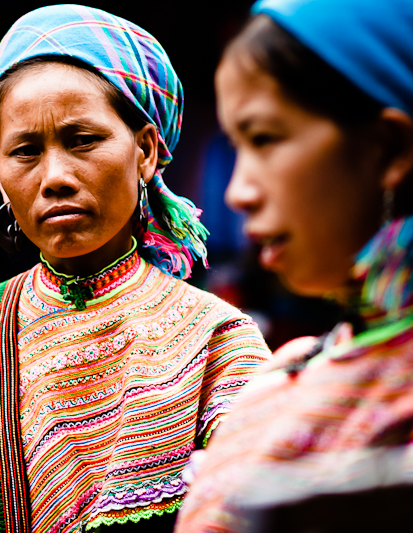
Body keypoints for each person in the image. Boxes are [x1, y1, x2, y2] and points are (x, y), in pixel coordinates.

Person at [0, 5, 271, 533]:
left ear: (145, 150)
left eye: (82, 140)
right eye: (26, 151)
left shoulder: (217, 345)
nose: (54, 177)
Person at [175, 0, 413, 531]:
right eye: (235, 146)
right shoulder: (283, 374)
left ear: (389, 147)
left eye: (265, 139)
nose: (237, 193)